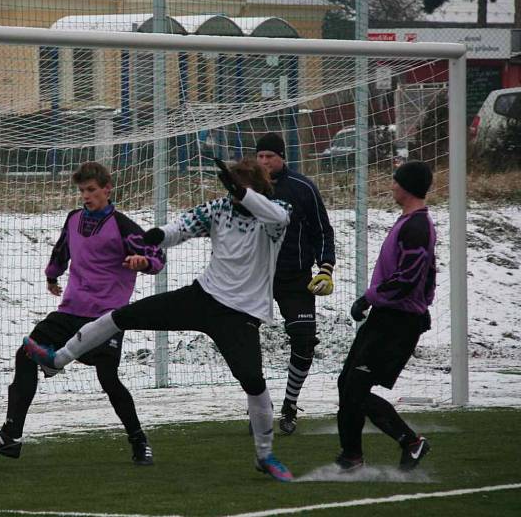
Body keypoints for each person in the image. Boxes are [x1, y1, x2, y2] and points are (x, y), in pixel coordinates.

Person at [24, 157, 295, 482]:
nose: (234, 196)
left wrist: (244, 192)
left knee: (253, 381)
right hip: (203, 297)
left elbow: (276, 215)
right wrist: (155, 236)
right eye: (232, 190)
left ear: (256, 190)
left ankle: (265, 455)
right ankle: (58, 359)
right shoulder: (221, 207)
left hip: (241, 315)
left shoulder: (276, 213)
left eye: (240, 191)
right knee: (121, 316)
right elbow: (183, 226)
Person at [0, 161, 166, 466]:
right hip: (71, 310)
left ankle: (139, 440)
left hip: (105, 318)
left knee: (109, 379)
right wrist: (52, 275)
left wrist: (144, 262)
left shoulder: (124, 226)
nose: (86, 196)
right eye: (82, 191)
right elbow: (63, 250)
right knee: (25, 354)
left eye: (91, 190)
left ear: (107, 189)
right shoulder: (74, 219)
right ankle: (12, 435)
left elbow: (156, 254)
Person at [335, 160, 436, 472]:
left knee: (356, 390)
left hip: (397, 322)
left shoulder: (417, 226)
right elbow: (427, 275)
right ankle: (351, 456)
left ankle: (411, 442)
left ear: (406, 187)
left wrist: (368, 298)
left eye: (395, 181)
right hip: (386, 317)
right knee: (346, 384)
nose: (391, 185)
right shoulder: (408, 221)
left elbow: (407, 280)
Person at [255, 132, 336, 434]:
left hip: (295, 278)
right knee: (243, 342)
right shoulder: (247, 190)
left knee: (304, 340)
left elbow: (323, 232)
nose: (264, 162)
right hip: (256, 280)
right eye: (260, 156)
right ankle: (260, 407)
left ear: (282, 158)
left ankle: (290, 405)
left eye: (270, 157)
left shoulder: (303, 188)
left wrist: (325, 268)